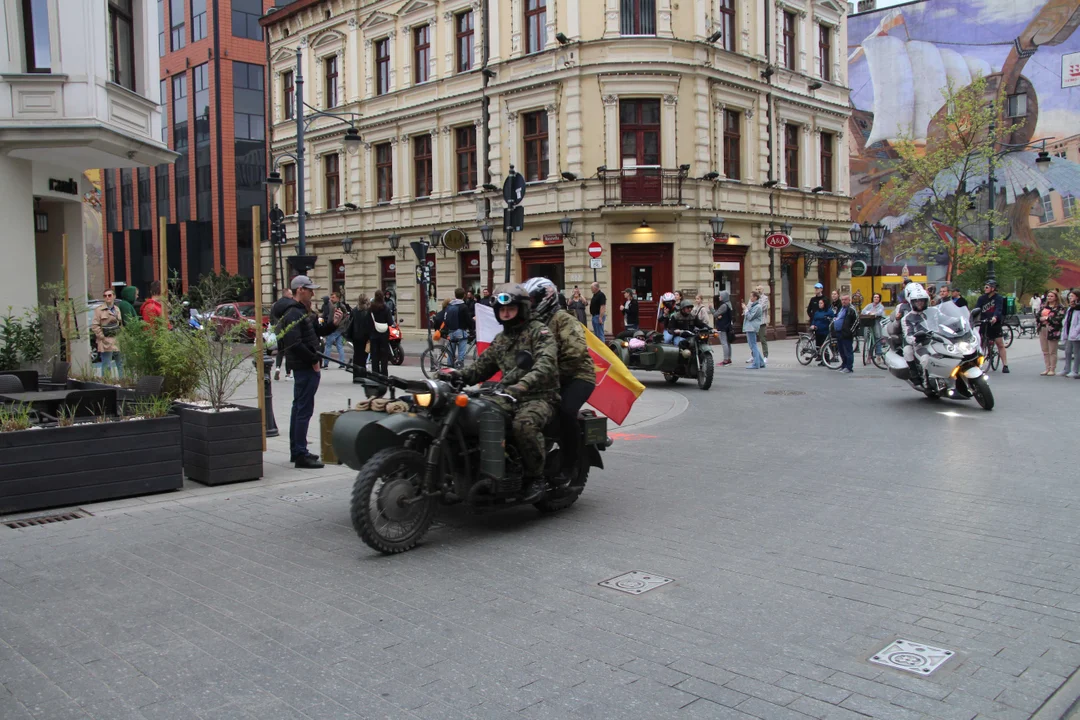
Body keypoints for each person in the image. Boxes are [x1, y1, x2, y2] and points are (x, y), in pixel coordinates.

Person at [447, 283, 559, 502]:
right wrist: (455, 375)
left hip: (539, 395)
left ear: (522, 309)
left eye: (511, 309)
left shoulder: (540, 332)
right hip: (507, 395)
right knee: (470, 414)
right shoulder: (501, 339)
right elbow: (481, 368)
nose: (506, 313)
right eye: (502, 310)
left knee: (523, 425)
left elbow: (545, 363)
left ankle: (536, 477)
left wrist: (524, 384)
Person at [523, 278, 597, 485]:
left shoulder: (563, 319)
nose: (528, 304)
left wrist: (547, 376)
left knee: (564, 411)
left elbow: (576, 354)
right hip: (545, 378)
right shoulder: (532, 324)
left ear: (545, 298)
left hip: (577, 375)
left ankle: (570, 463)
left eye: (530, 300)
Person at [275, 275, 343, 468]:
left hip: (306, 366)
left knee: (300, 408)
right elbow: (294, 343)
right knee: (303, 410)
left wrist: (333, 324)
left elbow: (316, 331)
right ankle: (300, 454)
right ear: (300, 290)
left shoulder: (302, 312)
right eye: (310, 289)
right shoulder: (293, 314)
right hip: (305, 367)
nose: (313, 293)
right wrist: (314, 360)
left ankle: (298, 450)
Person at [975, 280, 1009, 373]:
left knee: (1000, 344)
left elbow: (999, 308)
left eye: (987, 287)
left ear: (992, 288)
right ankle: (979, 364)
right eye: (985, 287)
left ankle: (1005, 365)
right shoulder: (982, 298)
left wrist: (995, 317)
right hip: (984, 322)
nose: (985, 289)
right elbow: (977, 309)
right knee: (981, 344)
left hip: (994, 323)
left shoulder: (998, 298)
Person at [901, 283, 931, 385]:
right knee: (925, 359)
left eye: (922, 300)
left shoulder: (933, 312)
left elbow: (946, 320)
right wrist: (916, 338)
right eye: (917, 301)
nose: (920, 303)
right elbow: (908, 334)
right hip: (921, 345)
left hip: (938, 341)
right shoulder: (907, 318)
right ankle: (926, 383)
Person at [91, 288, 124, 379]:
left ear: (114, 296)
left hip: (117, 339)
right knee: (106, 365)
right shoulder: (99, 310)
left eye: (109, 295)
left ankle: (123, 381)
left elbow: (120, 324)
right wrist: (102, 337)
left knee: (120, 363)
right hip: (106, 340)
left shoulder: (117, 309)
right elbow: (94, 326)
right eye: (105, 296)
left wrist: (122, 337)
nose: (107, 297)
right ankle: (106, 383)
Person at [1037, 289, 1066, 376]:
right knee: (1045, 350)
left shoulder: (1060, 307)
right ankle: (1047, 368)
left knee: (1052, 351)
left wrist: (1047, 319)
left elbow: (1058, 318)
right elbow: (1038, 315)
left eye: (1051, 296)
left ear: (1056, 297)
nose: (1049, 298)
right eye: (1048, 296)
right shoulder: (1043, 306)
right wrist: (1040, 318)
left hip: (1053, 330)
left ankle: (1052, 368)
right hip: (1042, 328)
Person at [321, 291, 350, 368]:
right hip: (338, 328)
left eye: (333, 297)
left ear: (338, 298)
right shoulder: (332, 305)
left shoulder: (338, 306)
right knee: (339, 345)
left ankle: (326, 363)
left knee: (328, 345)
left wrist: (339, 323)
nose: (331, 299)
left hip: (336, 328)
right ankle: (342, 363)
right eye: (331, 297)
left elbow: (345, 316)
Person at [367, 290, 393, 376]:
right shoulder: (386, 308)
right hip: (384, 335)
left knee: (374, 356)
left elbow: (368, 321)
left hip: (374, 334)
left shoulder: (371, 308)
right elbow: (390, 322)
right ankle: (384, 375)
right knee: (384, 356)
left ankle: (375, 374)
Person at [443, 288, 471, 367]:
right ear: (464, 295)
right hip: (460, 332)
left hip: (451, 331)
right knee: (461, 353)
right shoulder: (463, 306)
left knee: (451, 353)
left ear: (455, 295)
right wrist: (472, 328)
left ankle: (449, 368)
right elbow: (468, 319)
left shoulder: (450, 305)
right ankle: (459, 367)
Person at [271, 289, 294, 381]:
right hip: (287, 330)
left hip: (278, 330)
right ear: (287, 294)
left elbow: (271, 318)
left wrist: (274, 328)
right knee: (288, 352)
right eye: (291, 294)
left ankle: (277, 368)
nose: (292, 295)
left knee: (280, 350)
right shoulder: (291, 304)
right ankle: (288, 374)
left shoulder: (275, 305)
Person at [347, 294, 370, 383]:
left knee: (356, 356)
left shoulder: (355, 310)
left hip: (355, 336)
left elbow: (351, 322)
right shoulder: (368, 311)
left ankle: (356, 376)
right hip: (365, 337)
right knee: (364, 356)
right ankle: (363, 375)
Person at [834, 293, 858, 373]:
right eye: (842, 300)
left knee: (848, 351)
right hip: (839, 332)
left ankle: (849, 367)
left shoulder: (851, 309)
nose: (843, 301)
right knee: (841, 351)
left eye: (845, 300)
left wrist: (850, 331)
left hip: (846, 333)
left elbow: (857, 321)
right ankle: (844, 365)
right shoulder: (842, 308)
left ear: (849, 300)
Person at [742, 292, 765, 369]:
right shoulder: (754, 305)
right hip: (750, 327)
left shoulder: (758, 306)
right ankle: (761, 362)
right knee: (753, 345)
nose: (750, 298)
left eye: (751, 296)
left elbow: (750, 317)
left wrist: (745, 309)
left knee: (753, 346)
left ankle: (756, 363)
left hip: (751, 327)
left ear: (755, 297)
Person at [1062, 291, 1080, 378]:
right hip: (1069, 332)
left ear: (1077, 297)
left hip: (1076, 333)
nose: (1070, 297)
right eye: (1069, 296)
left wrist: (1076, 331)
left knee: (1076, 352)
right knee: (1067, 351)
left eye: (1072, 296)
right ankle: (1067, 369)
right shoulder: (1070, 308)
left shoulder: (1078, 308)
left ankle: (1075, 370)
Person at [811, 298, 834, 365]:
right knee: (818, 345)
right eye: (819, 303)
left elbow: (831, 321)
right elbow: (814, 319)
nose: (819, 305)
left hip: (825, 331)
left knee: (823, 346)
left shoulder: (829, 311)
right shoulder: (817, 311)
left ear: (825, 304)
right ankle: (822, 358)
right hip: (817, 331)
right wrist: (813, 325)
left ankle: (827, 360)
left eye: (821, 303)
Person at [713, 290, 733, 365]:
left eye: (720, 295)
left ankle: (725, 360)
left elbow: (715, 314)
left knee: (724, 343)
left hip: (722, 326)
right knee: (727, 343)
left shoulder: (724, 305)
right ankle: (729, 358)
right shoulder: (729, 304)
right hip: (727, 326)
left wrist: (711, 309)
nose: (719, 297)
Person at [755, 285, 770, 362]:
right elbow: (749, 306)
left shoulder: (765, 298)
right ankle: (753, 355)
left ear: (762, 290)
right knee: (753, 340)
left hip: (761, 322)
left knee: (762, 339)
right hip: (754, 322)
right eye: (756, 289)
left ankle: (765, 356)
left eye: (759, 289)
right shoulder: (753, 298)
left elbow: (761, 308)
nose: (758, 290)